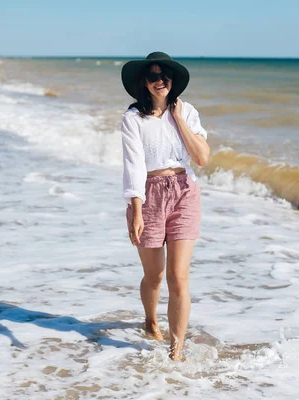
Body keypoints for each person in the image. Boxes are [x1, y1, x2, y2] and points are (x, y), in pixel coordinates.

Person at [120, 52, 210, 361]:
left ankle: (176, 351)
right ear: (143, 83)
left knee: (178, 277)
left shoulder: (189, 112)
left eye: (165, 76)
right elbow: (133, 165)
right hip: (149, 194)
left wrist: (178, 118)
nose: (160, 81)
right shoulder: (133, 118)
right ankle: (150, 319)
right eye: (153, 76)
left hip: (185, 190)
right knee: (155, 276)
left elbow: (202, 158)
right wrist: (137, 209)